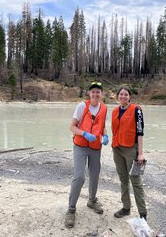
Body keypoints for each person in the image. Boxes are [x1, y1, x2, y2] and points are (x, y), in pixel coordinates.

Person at [64, 81, 109, 228]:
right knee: (79, 177)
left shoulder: (104, 108)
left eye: (98, 92)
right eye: (93, 91)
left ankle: (92, 200)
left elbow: (102, 126)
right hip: (81, 146)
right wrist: (84, 133)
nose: (95, 94)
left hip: (96, 147)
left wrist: (106, 135)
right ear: (89, 93)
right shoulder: (82, 106)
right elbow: (71, 127)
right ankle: (71, 209)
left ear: (101, 94)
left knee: (95, 174)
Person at [111, 87, 147, 220]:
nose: (123, 97)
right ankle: (126, 208)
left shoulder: (136, 110)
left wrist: (140, 153)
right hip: (117, 148)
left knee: (136, 180)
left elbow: (140, 132)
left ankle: (143, 213)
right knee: (123, 179)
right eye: (121, 94)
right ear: (117, 96)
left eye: (126, 94)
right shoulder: (115, 111)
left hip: (131, 149)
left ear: (129, 96)